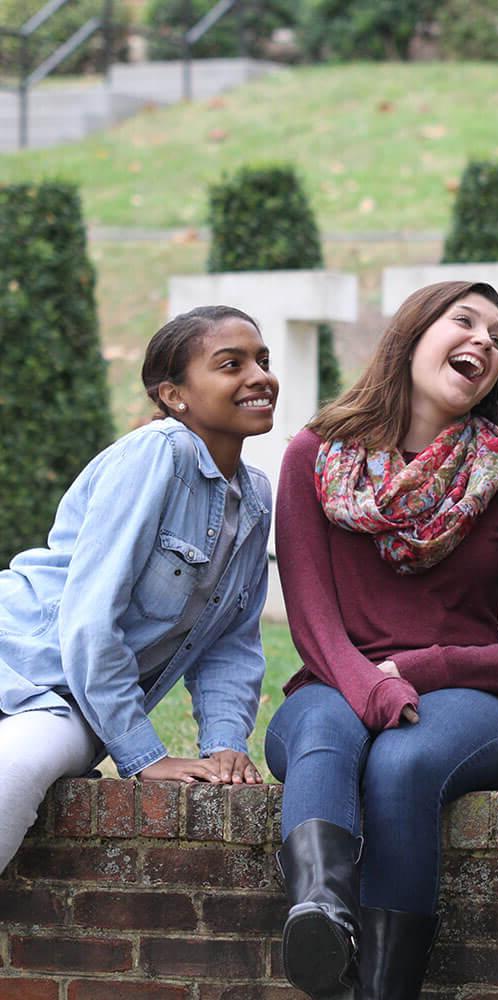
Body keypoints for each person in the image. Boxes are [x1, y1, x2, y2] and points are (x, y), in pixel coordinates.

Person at [267, 280, 498, 1000]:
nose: (485, 342)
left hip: (469, 706)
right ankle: (321, 919)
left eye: (497, 337)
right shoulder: (312, 457)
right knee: (325, 732)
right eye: (465, 321)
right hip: (333, 685)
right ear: (411, 335)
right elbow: (311, 622)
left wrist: (419, 668)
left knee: (401, 764)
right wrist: (371, 683)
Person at [0, 305, 277, 875]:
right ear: (175, 395)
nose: (259, 376)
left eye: (262, 360)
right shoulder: (159, 453)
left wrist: (223, 747)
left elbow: (232, 642)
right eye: (231, 364)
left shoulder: (255, 497)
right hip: (20, 652)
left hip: (69, 703)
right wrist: (143, 756)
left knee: (16, 769)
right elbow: (89, 617)